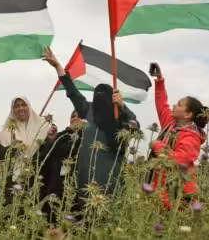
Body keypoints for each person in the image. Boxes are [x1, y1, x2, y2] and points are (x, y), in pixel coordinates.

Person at [42, 47, 139, 199]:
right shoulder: (88, 110)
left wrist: (122, 107)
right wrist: (58, 67)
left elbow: (135, 126)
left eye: (103, 97)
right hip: (86, 179)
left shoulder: (118, 114)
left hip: (111, 178)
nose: (99, 100)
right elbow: (72, 92)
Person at [147, 62, 209, 209]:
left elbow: (179, 160)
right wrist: (159, 80)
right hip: (162, 188)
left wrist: (157, 145)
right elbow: (162, 104)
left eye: (180, 104)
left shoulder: (192, 136)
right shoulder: (170, 124)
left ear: (188, 114)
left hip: (178, 194)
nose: (175, 105)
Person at [0, 97, 54, 197]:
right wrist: (13, 148)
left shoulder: (43, 127)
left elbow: (49, 154)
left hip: (38, 179)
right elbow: (0, 156)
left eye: (23, 105)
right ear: (12, 110)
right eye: (17, 106)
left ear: (29, 107)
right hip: (13, 181)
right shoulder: (7, 131)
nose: (21, 108)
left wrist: (50, 140)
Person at [37, 110, 83, 223]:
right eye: (73, 116)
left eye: (79, 116)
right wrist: (48, 138)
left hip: (74, 188)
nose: (75, 118)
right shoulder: (63, 136)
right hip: (55, 186)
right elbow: (47, 155)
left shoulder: (87, 138)